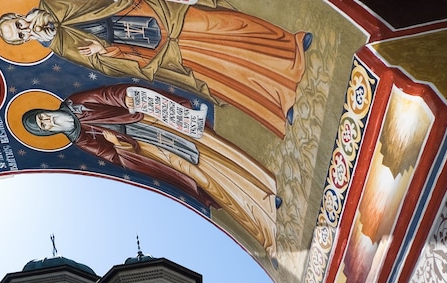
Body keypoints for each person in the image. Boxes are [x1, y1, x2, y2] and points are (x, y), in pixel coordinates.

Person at [0, 0, 310, 138]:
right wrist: (103, 50)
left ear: (19, 15)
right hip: (151, 51)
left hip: (151, 13)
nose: (27, 31)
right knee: (219, 70)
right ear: (24, 44)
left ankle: (288, 48)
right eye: (21, 37)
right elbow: (107, 68)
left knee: (225, 27)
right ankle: (277, 101)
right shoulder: (61, 47)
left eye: (20, 25)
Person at [22, 84, 279, 255]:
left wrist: (126, 99)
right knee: (201, 175)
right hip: (146, 146)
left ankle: (263, 185)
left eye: (43, 117)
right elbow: (112, 157)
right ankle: (257, 220)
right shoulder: (78, 138)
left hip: (150, 121)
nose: (49, 121)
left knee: (212, 148)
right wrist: (120, 146)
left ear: (47, 110)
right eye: (45, 127)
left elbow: (109, 95)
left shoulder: (75, 103)